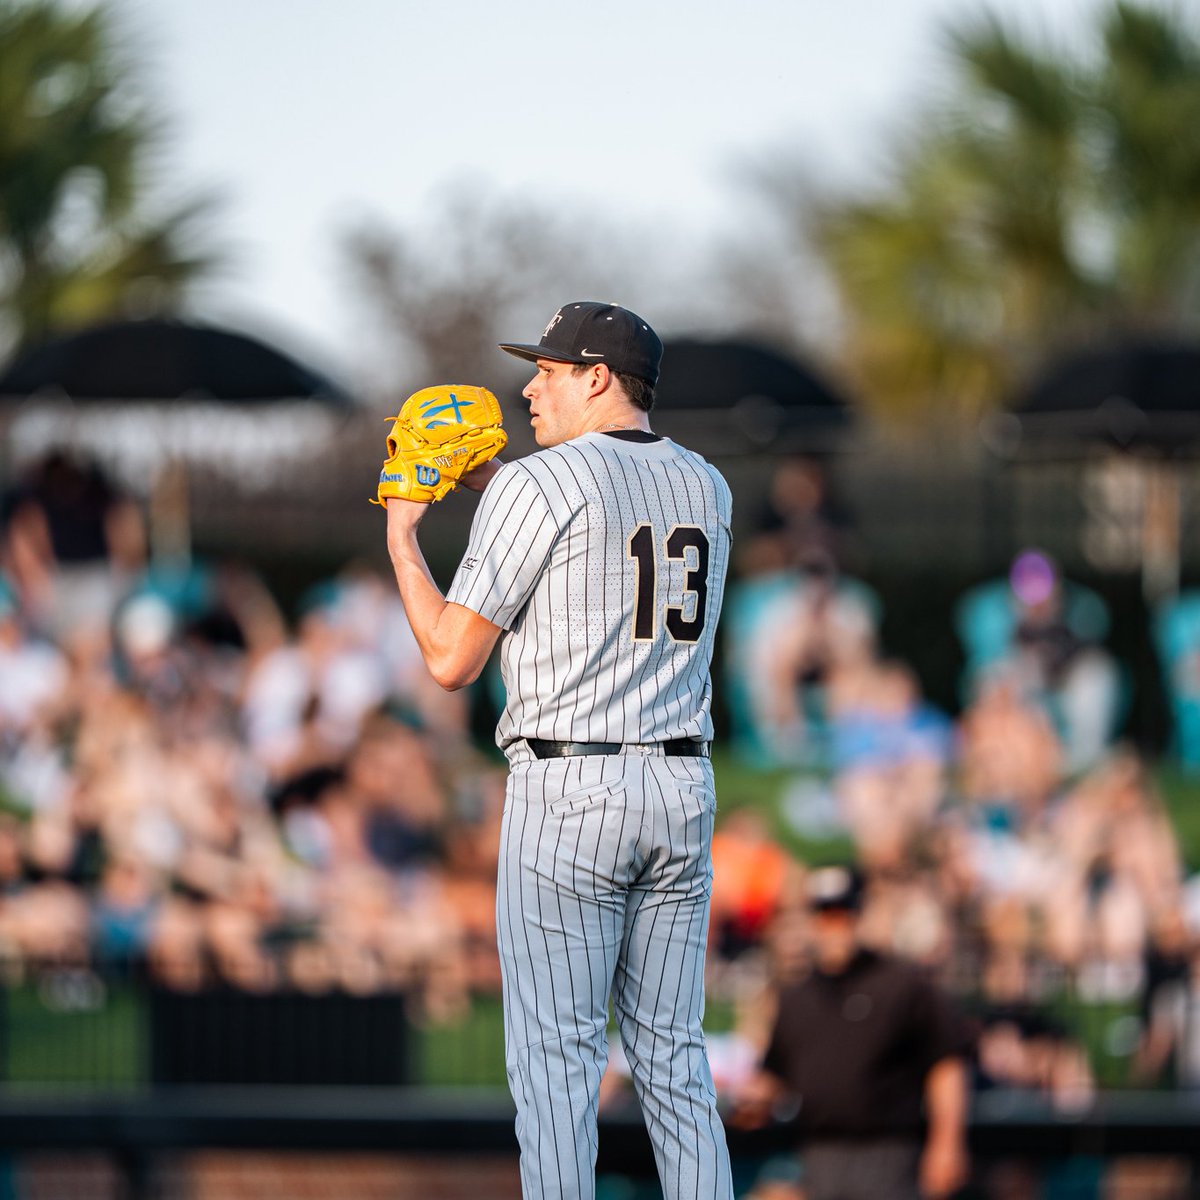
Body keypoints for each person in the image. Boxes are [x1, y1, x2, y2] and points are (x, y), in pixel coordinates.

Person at [382, 300, 735, 1200]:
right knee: (672, 1056)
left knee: (556, 1062)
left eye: (548, 369)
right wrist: (494, 483)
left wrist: (403, 531)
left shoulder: (537, 486)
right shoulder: (708, 484)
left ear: (598, 377)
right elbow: (601, 546)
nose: (529, 385)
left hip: (570, 789)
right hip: (680, 782)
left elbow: (450, 659)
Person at [735, 866, 973, 1200]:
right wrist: (752, 1099)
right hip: (817, 1155)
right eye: (824, 915)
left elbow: (946, 1063)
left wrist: (946, 1143)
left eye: (843, 913)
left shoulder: (902, 985)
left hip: (888, 1154)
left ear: (860, 915)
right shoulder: (796, 998)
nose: (834, 926)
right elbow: (777, 1074)